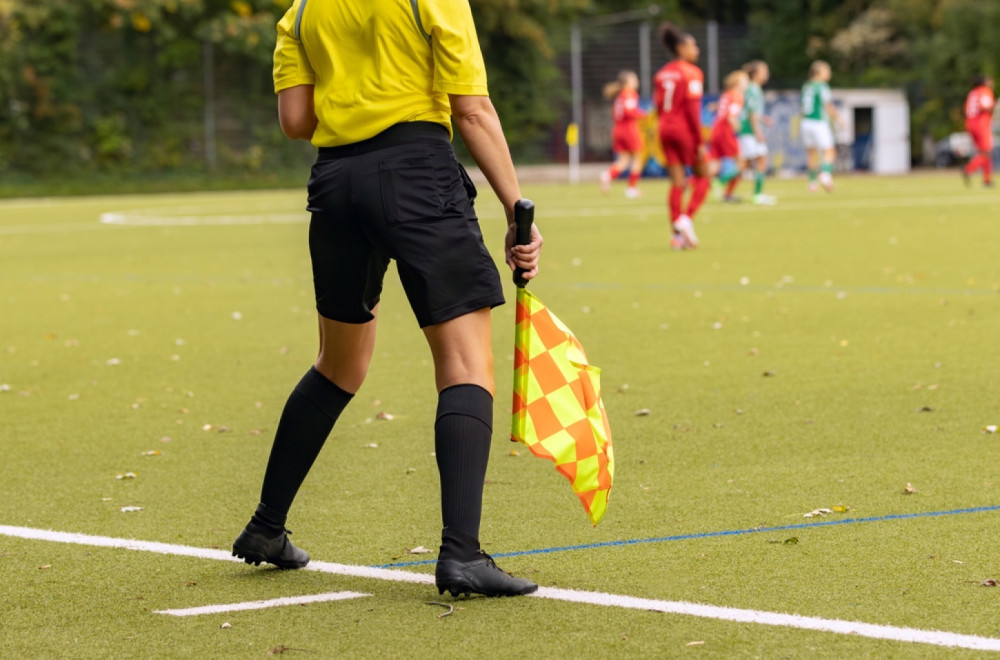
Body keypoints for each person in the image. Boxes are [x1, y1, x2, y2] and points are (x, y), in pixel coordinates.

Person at [231, 0, 544, 599]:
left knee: (338, 364)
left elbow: (296, 120)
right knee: (465, 363)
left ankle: (266, 526)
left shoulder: (297, 14)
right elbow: (471, 109)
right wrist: (514, 210)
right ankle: (461, 555)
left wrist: (355, 95)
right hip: (417, 172)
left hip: (336, 184)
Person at [653, 22, 708, 250]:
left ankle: (677, 237)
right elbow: (693, 111)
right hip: (684, 130)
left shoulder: (662, 73)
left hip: (665, 129)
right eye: (694, 46)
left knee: (677, 182)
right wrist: (700, 141)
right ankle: (685, 219)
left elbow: (658, 105)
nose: (697, 50)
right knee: (704, 176)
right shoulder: (692, 73)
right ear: (682, 47)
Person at [600, 70, 646, 198]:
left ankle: (607, 175)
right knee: (638, 158)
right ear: (627, 82)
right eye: (634, 79)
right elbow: (629, 111)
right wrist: (642, 114)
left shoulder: (619, 95)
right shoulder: (629, 94)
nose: (637, 82)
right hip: (628, 128)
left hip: (618, 129)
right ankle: (631, 188)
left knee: (624, 160)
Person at [736, 60, 776, 205]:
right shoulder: (753, 89)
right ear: (756, 74)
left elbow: (750, 111)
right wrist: (758, 131)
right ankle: (757, 195)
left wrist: (763, 119)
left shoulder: (753, 89)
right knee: (760, 160)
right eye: (764, 71)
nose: (767, 74)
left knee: (745, 164)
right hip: (749, 131)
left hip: (748, 130)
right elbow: (751, 114)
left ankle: (720, 185)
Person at [708, 70, 748, 203]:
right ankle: (725, 189)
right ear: (738, 83)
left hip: (715, 131)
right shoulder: (738, 95)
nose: (747, 84)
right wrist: (738, 128)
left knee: (714, 164)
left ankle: (693, 184)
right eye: (745, 81)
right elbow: (731, 116)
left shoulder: (726, 94)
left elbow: (720, 109)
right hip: (726, 132)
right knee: (741, 164)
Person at [801, 60, 840, 192]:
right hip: (818, 122)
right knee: (829, 151)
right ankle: (825, 174)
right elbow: (827, 105)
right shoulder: (821, 86)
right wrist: (839, 119)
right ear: (818, 72)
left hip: (805, 122)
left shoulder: (807, 86)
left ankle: (812, 183)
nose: (829, 73)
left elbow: (802, 108)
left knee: (811, 153)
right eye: (826, 70)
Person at [963, 75, 995, 188]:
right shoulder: (985, 91)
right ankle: (968, 169)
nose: (992, 82)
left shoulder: (972, 92)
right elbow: (986, 106)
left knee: (983, 152)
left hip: (970, 123)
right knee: (986, 152)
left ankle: (987, 180)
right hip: (981, 123)